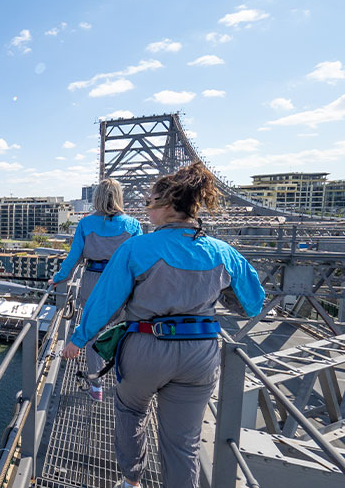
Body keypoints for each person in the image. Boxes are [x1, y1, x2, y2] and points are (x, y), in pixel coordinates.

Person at [61, 162, 264, 488]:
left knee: (130, 414)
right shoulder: (222, 251)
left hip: (146, 348)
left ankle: (132, 481)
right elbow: (253, 302)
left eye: (150, 203)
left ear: (167, 206)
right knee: (184, 443)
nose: (146, 210)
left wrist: (79, 338)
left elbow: (104, 302)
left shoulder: (137, 248)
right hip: (200, 355)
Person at [49, 178, 142, 401]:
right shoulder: (133, 225)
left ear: (96, 197)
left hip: (93, 279)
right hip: (122, 283)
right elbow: (139, 260)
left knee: (91, 331)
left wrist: (59, 278)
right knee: (124, 329)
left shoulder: (86, 223)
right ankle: (125, 378)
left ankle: (96, 385)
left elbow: (73, 259)